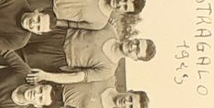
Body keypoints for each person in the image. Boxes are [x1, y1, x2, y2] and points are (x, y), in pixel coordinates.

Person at [23, 24, 156, 84]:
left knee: (11, 59)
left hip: (55, 58)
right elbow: (75, 23)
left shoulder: (108, 70)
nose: (133, 46)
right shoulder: (108, 28)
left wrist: (46, 76)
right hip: (57, 34)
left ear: (135, 58)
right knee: (13, 37)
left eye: (137, 50)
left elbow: (76, 77)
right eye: (137, 42)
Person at [32, 81, 149, 108]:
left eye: (130, 106)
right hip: (49, 81)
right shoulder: (108, 78)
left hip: (50, 101)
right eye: (130, 99)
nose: (126, 102)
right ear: (130, 91)